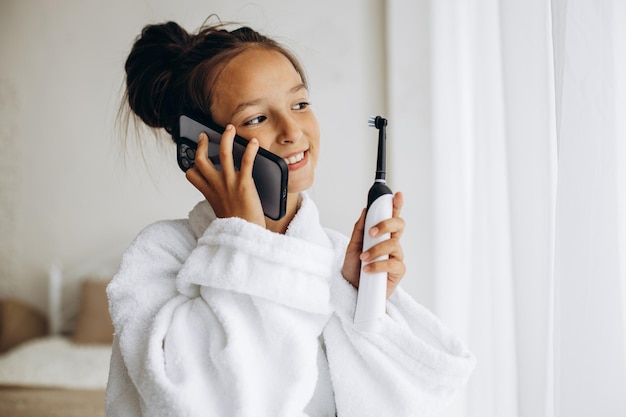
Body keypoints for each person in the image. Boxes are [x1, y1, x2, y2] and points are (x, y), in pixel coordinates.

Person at [105, 20, 475, 417]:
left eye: (299, 104)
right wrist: (243, 240)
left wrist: (358, 302)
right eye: (256, 119)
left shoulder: (334, 257)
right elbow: (196, 404)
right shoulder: (160, 256)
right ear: (205, 145)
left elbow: (408, 401)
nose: (292, 131)